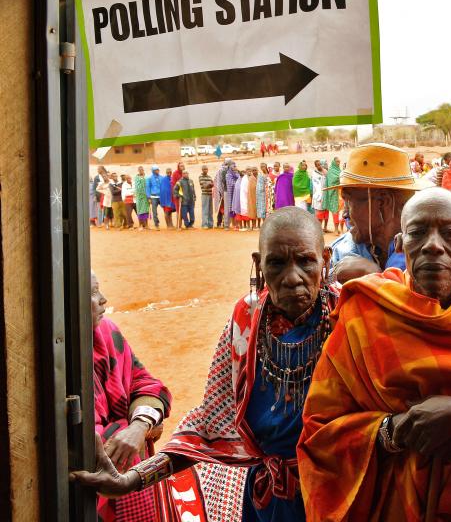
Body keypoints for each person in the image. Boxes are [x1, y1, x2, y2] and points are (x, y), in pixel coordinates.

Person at [72, 208, 338, 521]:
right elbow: (210, 424)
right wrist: (133, 478)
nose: (292, 278)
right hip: (269, 502)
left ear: (326, 260)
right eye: (277, 263)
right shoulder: (247, 321)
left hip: (340, 495)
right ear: (258, 264)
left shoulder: (351, 318)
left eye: (305, 260)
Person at [297, 188, 451, 521]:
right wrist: (391, 429)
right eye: (417, 232)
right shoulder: (367, 312)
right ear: (400, 244)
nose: (432, 244)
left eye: (449, 232)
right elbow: (320, 431)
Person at [86, 271, 172, 521]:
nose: (103, 299)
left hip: (123, 480)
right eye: (92, 292)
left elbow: (145, 383)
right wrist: (144, 428)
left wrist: (139, 424)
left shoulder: (107, 332)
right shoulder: (46, 356)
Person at [325, 143, 422, 283]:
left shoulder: (426, 255)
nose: (344, 214)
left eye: (348, 201)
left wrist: (374, 277)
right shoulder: (339, 253)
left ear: (383, 202)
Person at [319, 157, 341, 232]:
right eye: (337, 162)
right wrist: (339, 177)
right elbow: (332, 182)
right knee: (335, 211)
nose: (338, 163)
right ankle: (336, 229)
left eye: (339, 162)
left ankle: (338, 228)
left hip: (339, 193)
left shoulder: (339, 170)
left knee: (339, 211)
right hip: (333, 193)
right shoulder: (331, 171)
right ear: (334, 162)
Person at [225, 160, 241, 229]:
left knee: (237, 208)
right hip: (231, 194)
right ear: (229, 166)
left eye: (235, 165)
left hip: (237, 194)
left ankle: (237, 224)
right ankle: (233, 224)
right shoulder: (228, 175)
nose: (234, 167)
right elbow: (231, 184)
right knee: (232, 209)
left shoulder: (237, 174)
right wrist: (238, 183)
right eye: (233, 166)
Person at [198, 165, 214, 229]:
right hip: (205, 195)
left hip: (210, 194)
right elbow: (204, 186)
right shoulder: (200, 177)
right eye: (204, 169)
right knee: (205, 210)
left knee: (210, 211)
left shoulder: (209, 177)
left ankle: (210, 224)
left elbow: (212, 184)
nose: (205, 170)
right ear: (202, 170)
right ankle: (204, 224)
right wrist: (210, 184)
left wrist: (209, 184)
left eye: (206, 169)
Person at [171, 161, 185, 229]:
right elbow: (173, 185)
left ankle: (181, 225)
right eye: (180, 166)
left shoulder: (184, 173)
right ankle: (178, 225)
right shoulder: (175, 174)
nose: (182, 167)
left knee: (183, 210)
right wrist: (177, 194)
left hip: (184, 195)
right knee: (178, 210)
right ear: (178, 167)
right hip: (177, 195)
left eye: (183, 166)